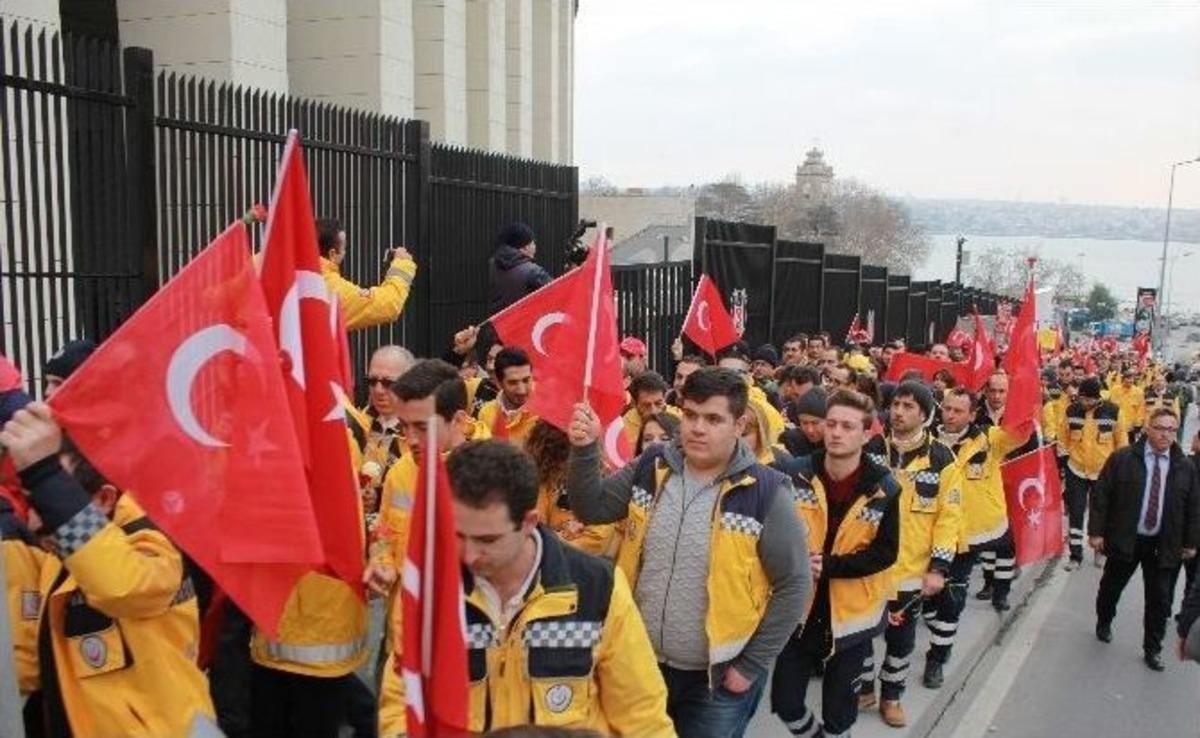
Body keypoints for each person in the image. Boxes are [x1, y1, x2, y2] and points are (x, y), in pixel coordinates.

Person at [565, 367, 811, 738]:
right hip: (638, 662)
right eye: (691, 415)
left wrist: (751, 665)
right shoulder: (652, 465)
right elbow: (593, 508)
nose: (697, 428)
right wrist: (585, 450)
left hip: (715, 681)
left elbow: (794, 583)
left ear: (738, 423)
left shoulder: (767, 491)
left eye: (713, 419)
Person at [0, 403, 215, 736]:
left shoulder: (155, 543)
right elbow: (31, 660)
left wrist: (45, 475)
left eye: (54, 499)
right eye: (35, 500)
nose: (34, 518)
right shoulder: (63, 556)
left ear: (103, 499)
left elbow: (122, 586)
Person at [445, 440, 676, 735]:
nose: (468, 554)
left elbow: (642, 717)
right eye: (457, 535)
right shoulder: (432, 591)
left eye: (487, 540)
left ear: (529, 522)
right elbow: (402, 698)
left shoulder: (598, 590)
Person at [772, 390, 901, 738]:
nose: (836, 432)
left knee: (840, 712)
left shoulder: (885, 487)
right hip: (799, 608)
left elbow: (886, 553)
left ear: (865, 433)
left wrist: (830, 566)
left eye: (847, 426)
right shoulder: (795, 474)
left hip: (851, 614)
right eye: (832, 424)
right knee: (785, 702)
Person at [371, 359, 489, 737]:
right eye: (405, 427)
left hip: (464, 648)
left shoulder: (487, 478)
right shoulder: (400, 471)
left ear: (457, 420)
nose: (411, 440)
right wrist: (381, 562)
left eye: (422, 427)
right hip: (402, 639)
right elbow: (384, 532)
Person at [860, 380, 963, 729]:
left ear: (924, 413)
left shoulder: (942, 458)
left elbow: (949, 519)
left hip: (911, 572)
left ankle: (891, 696)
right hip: (868, 567)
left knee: (900, 641)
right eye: (896, 405)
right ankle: (863, 688)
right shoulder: (872, 448)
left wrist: (939, 567)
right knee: (858, 634)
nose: (899, 412)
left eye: (908, 407)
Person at [924, 388, 1030, 687]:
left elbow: (1020, 433)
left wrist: (1025, 387)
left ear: (972, 414)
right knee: (930, 600)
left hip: (967, 535)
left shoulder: (989, 438)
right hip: (929, 532)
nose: (951, 415)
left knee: (951, 598)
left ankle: (937, 659)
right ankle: (938, 623)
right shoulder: (928, 441)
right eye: (947, 408)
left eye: (959, 411)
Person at [1089, 408, 1200, 671]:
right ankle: (1104, 620)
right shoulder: (1123, 458)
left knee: (1160, 600)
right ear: (1148, 428)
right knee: (1111, 588)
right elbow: (1102, 495)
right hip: (1126, 538)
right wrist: (1096, 532)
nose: (1165, 434)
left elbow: (1194, 507)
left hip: (1164, 545)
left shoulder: (1184, 467)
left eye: (1172, 429)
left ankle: (1153, 649)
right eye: (1160, 428)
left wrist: (1190, 542)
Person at [1059, 377, 1128, 570]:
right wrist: (1064, 464)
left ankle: (1100, 552)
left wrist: (1119, 470)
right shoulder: (1071, 411)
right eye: (1082, 399)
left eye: (1089, 400)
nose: (1084, 403)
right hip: (1076, 470)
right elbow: (1062, 439)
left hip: (1103, 473)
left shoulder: (1113, 412)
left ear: (1097, 398)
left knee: (1102, 513)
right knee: (1076, 512)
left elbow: (1122, 443)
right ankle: (1075, 556)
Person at [526, 420, 615, 556]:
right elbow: (535, 531)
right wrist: (565, 534)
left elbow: (597, 540)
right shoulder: (542, 479)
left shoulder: (601, 478)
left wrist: (557, 539)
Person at [317, 217, 417, 331]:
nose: (345, 253)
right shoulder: (334, 290)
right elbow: (390, 304)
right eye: (344, 248)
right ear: (332, 254)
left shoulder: (295, 280)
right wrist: (402, 264)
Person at [352, 345, 416, 513]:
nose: (378, 390)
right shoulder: (355, 423)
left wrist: (379, 497)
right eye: (372, 381)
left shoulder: (420, 433)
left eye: (388, 383)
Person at [477, 347, 539, 446]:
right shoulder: (486, 413)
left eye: (526, 380)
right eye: (513, 383)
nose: (522, 390)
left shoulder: (544, 415)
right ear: (499, 383)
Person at [488, 221, 552, 314]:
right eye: (533, 243)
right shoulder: (534, 272)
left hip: (499, 326)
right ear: (524, 247)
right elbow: (558, 291)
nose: (535, 247)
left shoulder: (493, 265)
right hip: (524, 325)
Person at [623, 371, 675, 445]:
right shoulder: (622, 430)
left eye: (658, 403)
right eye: (646, 405)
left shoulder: (679, 420)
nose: (654, 411)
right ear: (634, 404)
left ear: (664, 399)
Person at [780, 387, 827, 460]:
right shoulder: (791, 441)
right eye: (804, 423)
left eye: (815, 423)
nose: (809, 430)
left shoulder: (836, 447)